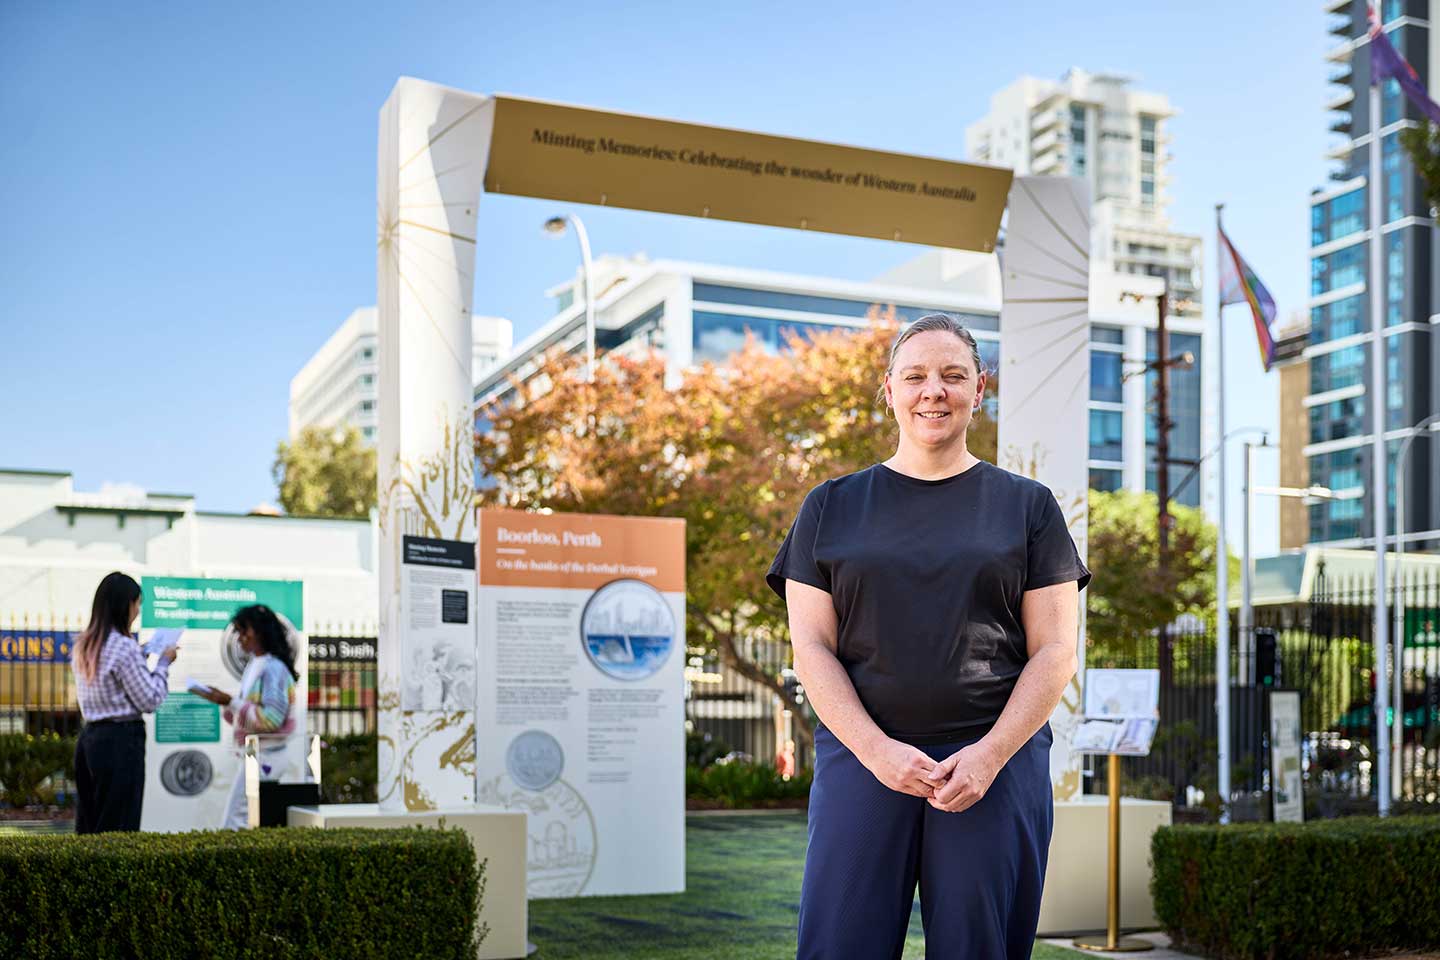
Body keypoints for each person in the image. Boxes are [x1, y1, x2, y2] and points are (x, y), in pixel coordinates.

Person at [767, 314, 1090, 960]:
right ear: (889, 391)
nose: (932, 391)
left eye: (952, 376)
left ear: (980, 387)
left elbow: (1055, 650)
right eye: (915, 377)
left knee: (979, 946)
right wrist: (876, 750)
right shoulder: (830, 506)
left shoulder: (1028, 508)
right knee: (840, 944)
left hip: (993, 765)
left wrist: (991, 754)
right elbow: (812, 649)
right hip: (863, 760)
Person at [71, 571, 178, 833]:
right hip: (121, 741)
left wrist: (143, 652)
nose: (138, 611)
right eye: (137, 603)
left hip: (90, 739)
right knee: (119, 826)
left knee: (90, 823)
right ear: (124, 604)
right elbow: (150, 699)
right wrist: (164, 663)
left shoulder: (85, 644)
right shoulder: (124, 646)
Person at [193, 604, 298, 829]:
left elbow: (270, 720)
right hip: (255, 753)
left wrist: (230, 701)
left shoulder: (273, 669)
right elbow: (247, 716)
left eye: (244, 631)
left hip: (265, 756)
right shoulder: (256, 665)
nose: (240, 638)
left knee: (236, 821)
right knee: (241, 819)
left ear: (260, 632)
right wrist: (224, 702)